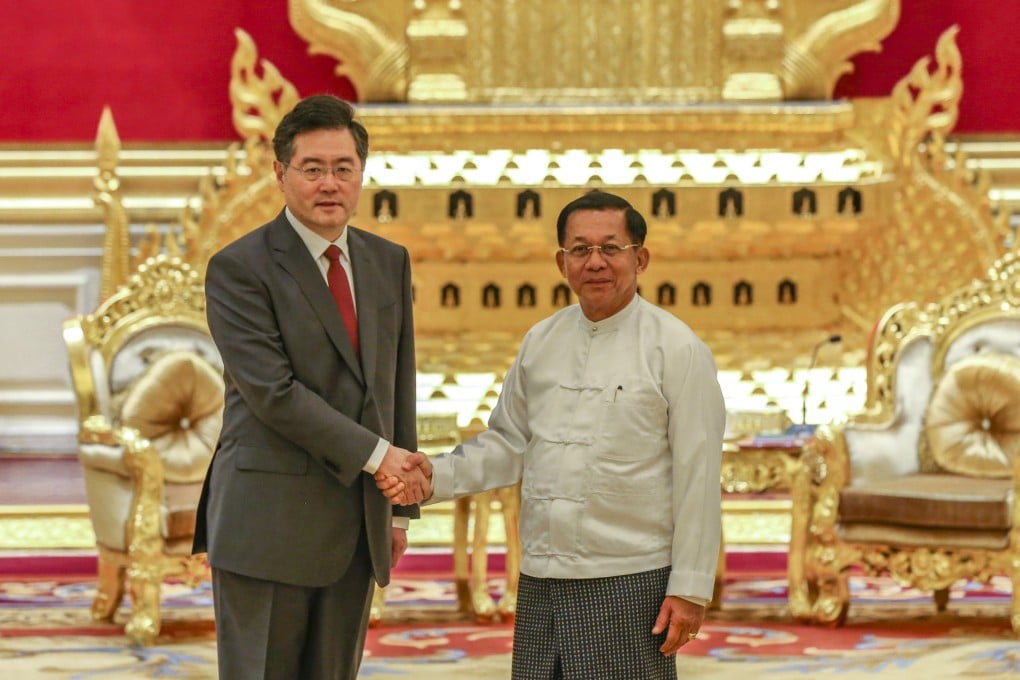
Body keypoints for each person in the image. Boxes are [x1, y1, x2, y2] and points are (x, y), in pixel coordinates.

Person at [379, 190, 725, 680]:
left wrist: (689, 587)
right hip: (541, 576)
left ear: (640, 258)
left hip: (628, 579)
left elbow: (699, 474)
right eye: (580, 249)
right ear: (561, 263)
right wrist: (431, 477)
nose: (596, 262)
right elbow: (507, 444)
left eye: (611, 248)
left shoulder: (678, 349)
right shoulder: (540, 340)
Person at [193, 94, 430, 680]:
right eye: (313, 168)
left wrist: (400, 514)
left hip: (356, 526)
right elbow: (273, 393)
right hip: (267, 524)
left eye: (343, 168)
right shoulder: (239, 268)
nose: (330, 184)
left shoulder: (386, 261)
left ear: (361, 174)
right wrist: (382, 459)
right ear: (280, 174)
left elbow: (396, 383)